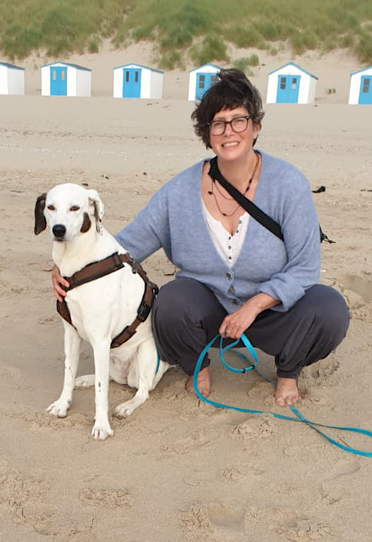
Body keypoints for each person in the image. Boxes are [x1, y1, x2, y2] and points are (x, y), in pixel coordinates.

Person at [52, 69, 350, 407]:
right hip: (204, 317)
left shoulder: (289, 185)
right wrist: (71, 271)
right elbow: (124, 248)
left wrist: (253, 307)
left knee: (329, 308)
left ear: (256, 126)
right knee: (171, 300)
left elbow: (304, 269)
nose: (229, 131)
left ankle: (288, 373)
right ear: (206, 134)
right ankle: (199, 366)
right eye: (218, 123)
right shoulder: (177, 192)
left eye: (239, 120)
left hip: (272, 315)